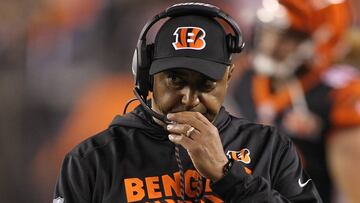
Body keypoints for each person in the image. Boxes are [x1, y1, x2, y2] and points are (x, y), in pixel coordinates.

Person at [53, 3, 322, 202]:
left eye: (206, 84)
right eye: (174, 80)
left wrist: (227, 175)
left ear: (229, 77)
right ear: (146, 75)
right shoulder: (94, 159)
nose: (189, 98)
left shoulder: (269, 147)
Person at [229, 0, 352, 202]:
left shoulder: (337, 95)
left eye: (290, 37)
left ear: (321, 41)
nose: (272, 44)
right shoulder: (244, 78)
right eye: (271, 31)